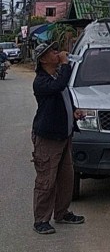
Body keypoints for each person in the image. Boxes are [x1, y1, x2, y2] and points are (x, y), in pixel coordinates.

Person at [31, 41, 86, 235]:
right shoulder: (41, 81)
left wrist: (74, 111)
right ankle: (41, 220)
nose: (57, 53)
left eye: (56, 50)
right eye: (52, 52)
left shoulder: (56, 77)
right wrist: (65, 64)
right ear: (43, 60)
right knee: (46, 180)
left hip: (64, 135)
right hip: (48, 138)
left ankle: (62, 212)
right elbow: (58, 86)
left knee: (66, 178)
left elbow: (63, 97)